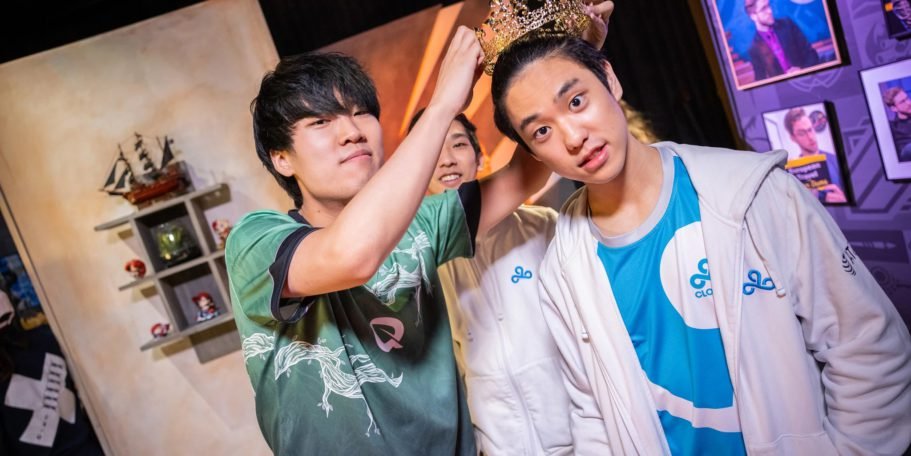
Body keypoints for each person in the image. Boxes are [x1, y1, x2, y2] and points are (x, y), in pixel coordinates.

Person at [490, 34, 911, 454]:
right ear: (534, 155)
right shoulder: (563, 269)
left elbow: (865, 348)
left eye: (576, 101)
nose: (572, 136)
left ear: (609, 79)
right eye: (542, 131)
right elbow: (592, 415)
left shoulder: (755, 195)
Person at [225, 27, 551, 455]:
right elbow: (352, 256)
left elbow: (528, 172)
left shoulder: (423, 223)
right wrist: (442, 106)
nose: (352, 131)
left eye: (361, 112)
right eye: (321, 121)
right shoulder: (256, 240)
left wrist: (562, 66)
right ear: (281, 158)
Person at [782, 107, 846, 203]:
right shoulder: (791, 173)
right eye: (802, 133)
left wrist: (844, 200)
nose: (810, 137)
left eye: (810, 129)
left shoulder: (836, 161)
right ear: (793, 138)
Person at [745, 0, 820, 80]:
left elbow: (811, 54)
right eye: (763, 9)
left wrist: (802, 71)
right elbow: (760, 79)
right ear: (753, 16)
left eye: (768, 6)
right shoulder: (754, 48)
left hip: (806, 79)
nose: (770, 11)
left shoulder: (787, 25)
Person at [883, 86, 911, 162]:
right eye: (902, 102)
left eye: (907, 98)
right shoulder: (893, 127)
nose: (909, 103)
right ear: (894, 108)